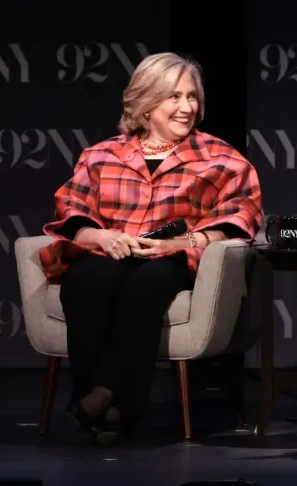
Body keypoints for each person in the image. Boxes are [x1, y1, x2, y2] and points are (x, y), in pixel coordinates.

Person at [38, 52, 263, 445]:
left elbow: (240, 217)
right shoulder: (101, 155)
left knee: (146, 285)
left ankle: (103, 399)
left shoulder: (223, 159)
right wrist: (102, 237)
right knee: (85, 282)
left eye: (192, 97)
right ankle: (108, 408)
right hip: (110, 251)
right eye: (173, 97)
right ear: (145, 104)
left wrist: (181, 241)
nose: (186, 107)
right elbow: (72, 210)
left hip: (174, 259)